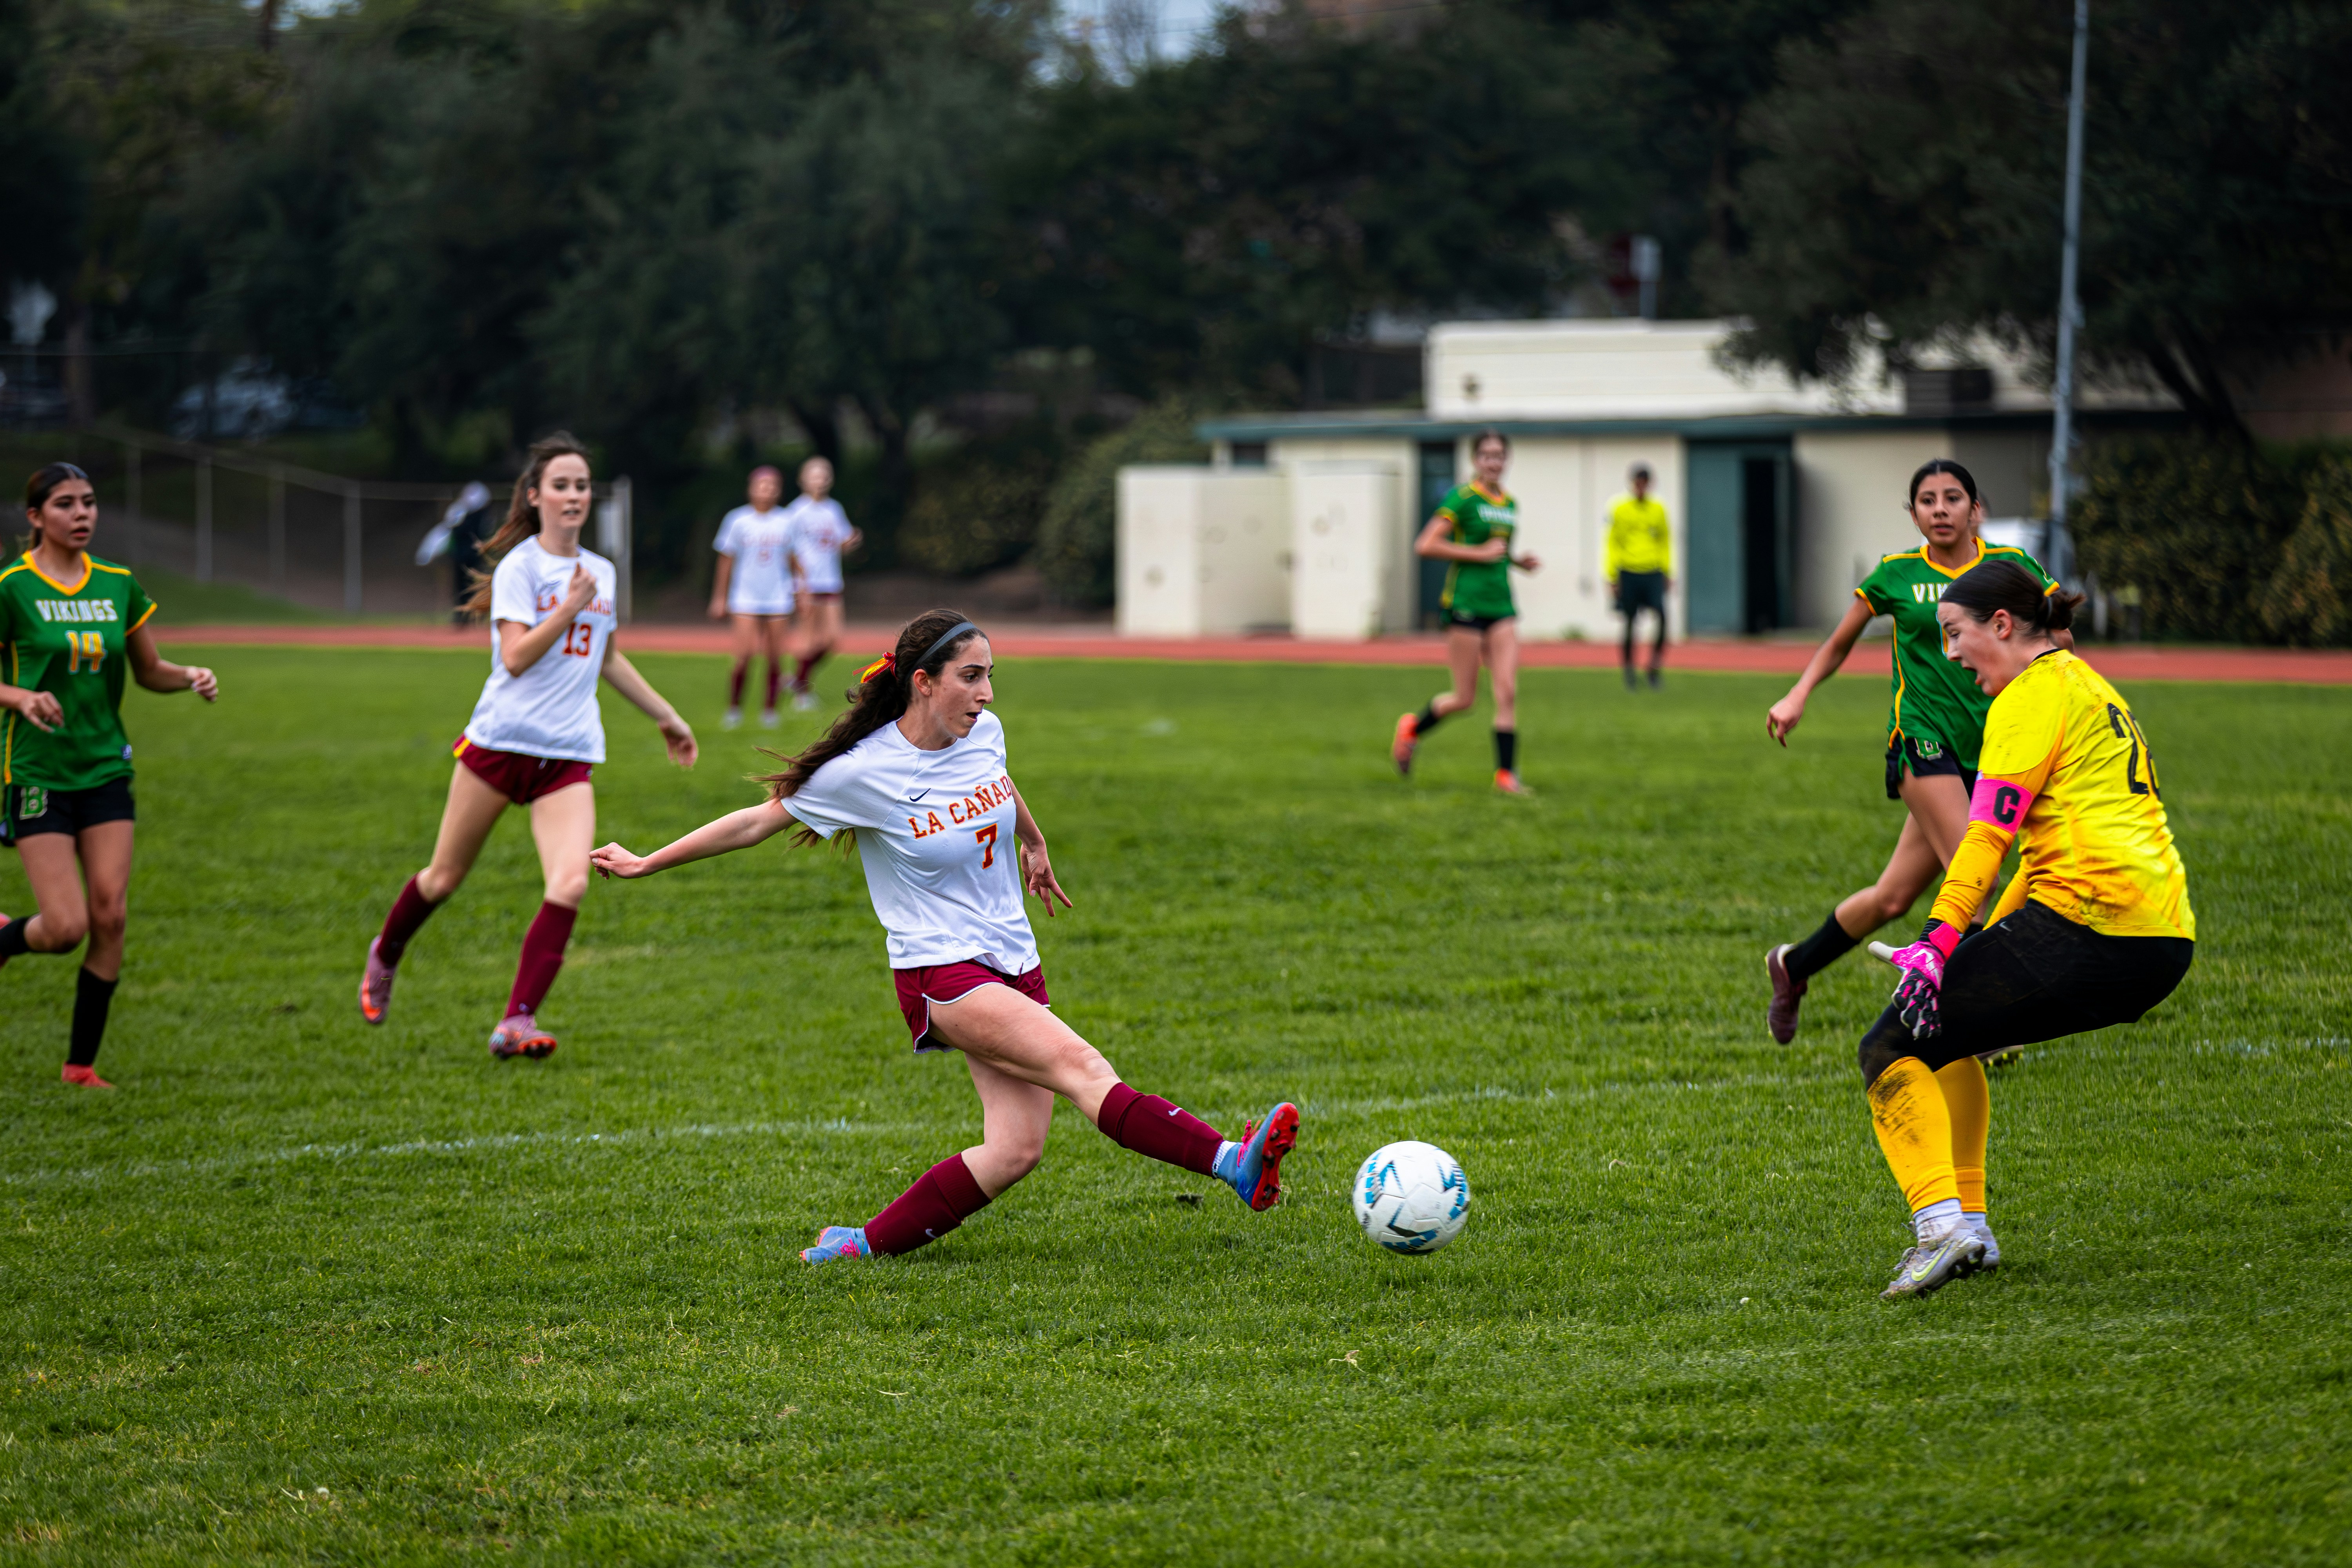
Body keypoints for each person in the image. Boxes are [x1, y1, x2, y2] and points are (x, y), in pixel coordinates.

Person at [588, 608, 1301, 1263]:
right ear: (922, 683)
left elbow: (997, 778)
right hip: (942, 973)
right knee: (1086, 1071)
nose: (988, 693)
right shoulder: (861, 774)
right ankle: (1231, 1163)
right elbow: (754, 822)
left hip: (1014, 960)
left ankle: (861, 1247)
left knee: (1015, 1149)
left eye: (990, 675)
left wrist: (1035, 841)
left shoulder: (981, 732)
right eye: (971, 676)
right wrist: (649, 862)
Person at [1862, 560, 2193, 1299]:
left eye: (1955, 634)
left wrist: (1940, 941)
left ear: (2002, 627)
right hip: (2160, 936)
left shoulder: (2028, 697)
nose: (1948, 652)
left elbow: (1987, 837)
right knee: (1946, 1037)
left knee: (1888, 1046)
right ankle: (1970, 1228)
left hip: (2093, 924)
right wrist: (1967, 947)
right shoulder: (2086, 683)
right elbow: (2036, 855)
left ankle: (1943, 1228)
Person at [359, 432, 697, 1059]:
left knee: (570, 884)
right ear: (535, 496)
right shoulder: (521, 568)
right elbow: (514, 658)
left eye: (582, 486)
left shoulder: (603, 572)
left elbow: (609, 658)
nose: (574, 495)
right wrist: (567, 609)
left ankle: (517, 1020)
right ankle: (388, 951)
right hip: (499, 746)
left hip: (567, 756)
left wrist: (667, 717)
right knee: (442, 879)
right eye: (562, 485)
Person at [1762, 459, 2057, 1044]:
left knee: (1893, 897)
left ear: (1977, 510)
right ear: (1914, 513)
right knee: (1977, 877)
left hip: (1992, 750)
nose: (1940, 509)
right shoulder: (1896, 575)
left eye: (1953, 498)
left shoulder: (2012, 569)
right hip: (1921, 740)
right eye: (1927, 500)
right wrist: (1798, 694)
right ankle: (1975, 1022)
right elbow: (1840, 641)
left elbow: (2058, 635)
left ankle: (1794, 966)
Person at [0, 462, 218, 1087]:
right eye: (65, 504)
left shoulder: (120, 584)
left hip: (104, 769)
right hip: (38, 770)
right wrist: (19, 698)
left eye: (90, 503)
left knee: (111, 918)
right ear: (36, 517)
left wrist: (189, 677)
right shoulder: (12, 588)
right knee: (66, 927)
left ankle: (79, 1066)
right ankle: (6, 941)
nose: (82, 514)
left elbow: (148, 670)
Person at [1388, 429, 1542, 794]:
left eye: (1500, 455)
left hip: (1502, 605)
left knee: (1507, 692)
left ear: (1507, 460)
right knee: (1465, 699)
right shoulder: (1462, 498)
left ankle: (1506, 776)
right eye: (1487, 455)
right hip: (1465, 604)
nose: (1494, 462)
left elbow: (1499, 550)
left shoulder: (1510, 504)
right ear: (1476, 460)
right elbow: (1425, 545)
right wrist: (1477, 554)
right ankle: (1412, 729)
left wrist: (1519, 562)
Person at [709, 465, 797, 730]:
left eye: (772, 486)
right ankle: (734, 709)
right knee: (744, 656)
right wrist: (719, 597)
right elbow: (726, 560)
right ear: (751, 488)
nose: (766, 491)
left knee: (775, 656)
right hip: (745, 597)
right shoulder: (737, 520)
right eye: (761, 485)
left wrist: (801, 590)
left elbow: (794, 559)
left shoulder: (786, 521)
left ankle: (770, 711)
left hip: (778, 597)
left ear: (779, 491)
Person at [781, 457, 860, 711]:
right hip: (807, 584)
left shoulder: (833, 509)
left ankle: (794, 679)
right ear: (803, 480)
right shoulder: (795, 512)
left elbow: (840, 542)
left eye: (825, 475)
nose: (820, 480)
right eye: (815, 475)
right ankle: (802, 693)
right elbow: (787, 551)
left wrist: (849, 543)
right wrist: (800, 585)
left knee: (832, 640)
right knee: (808, 639)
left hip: (831, 581)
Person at [1604, 462, 1673, 689]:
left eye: (1645, 484)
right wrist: (1612, 575)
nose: (1641, 488)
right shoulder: (1620, 508)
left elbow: (1665, 542)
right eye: (1638, 483)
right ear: (1633, 484)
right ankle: (1629, 670)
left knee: (1662, 617)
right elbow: (1613, 543)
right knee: (1630, 621)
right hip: (1629, 571)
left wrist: (1667, 571)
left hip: (1652, 571)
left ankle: (1654, 666)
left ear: (1650, 485)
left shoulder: (1658, 509)